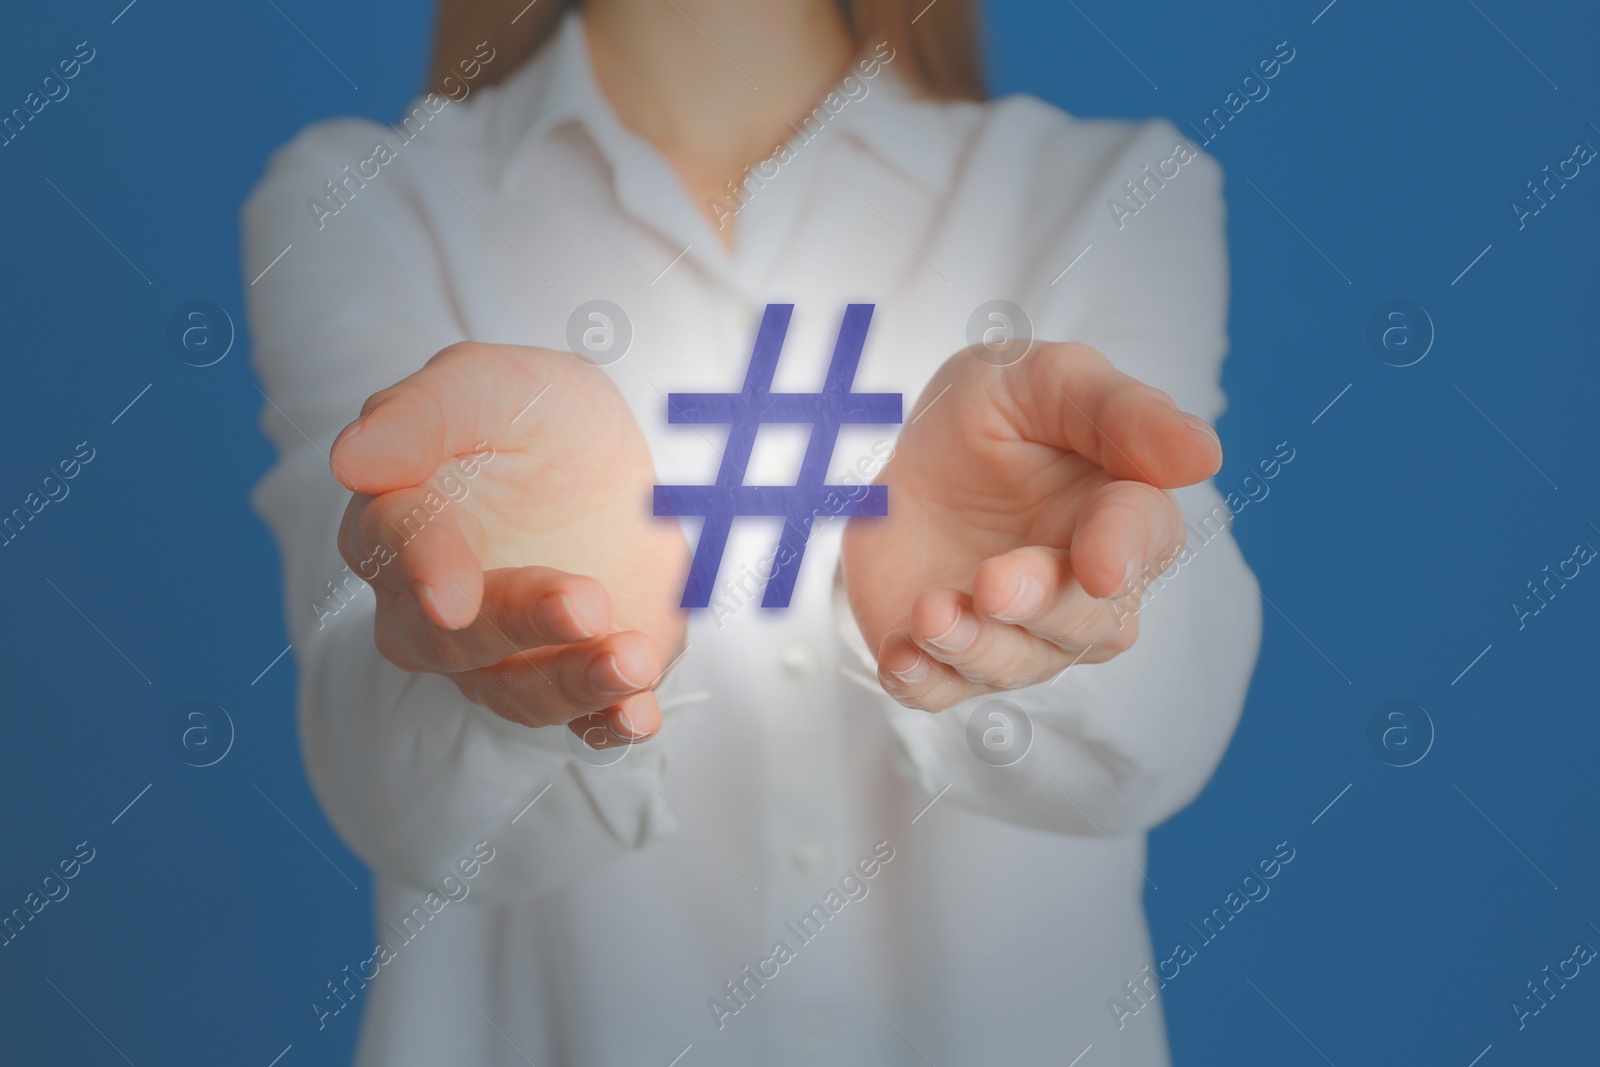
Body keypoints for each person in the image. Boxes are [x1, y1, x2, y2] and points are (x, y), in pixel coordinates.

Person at [244, 0, 1261, 1062]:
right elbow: (386, 782)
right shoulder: (367, 202)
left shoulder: (1107, 192)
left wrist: (1064, 600)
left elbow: (1163, 733)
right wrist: (530, 654)